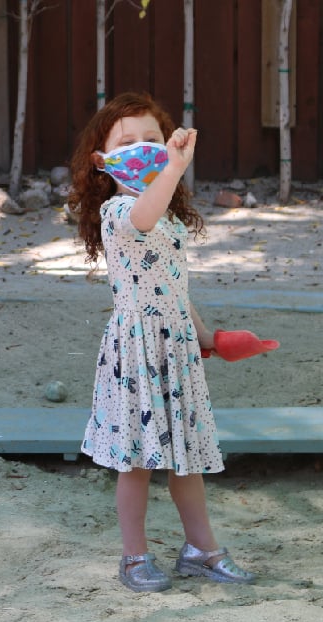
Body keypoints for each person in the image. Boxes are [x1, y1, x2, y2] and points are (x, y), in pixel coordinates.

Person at [68, 92, 270, 593]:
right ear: (102, 160)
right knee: (136, 463)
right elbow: (144, 213)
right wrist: (175, 166)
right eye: (127, 142)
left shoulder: (172, 220)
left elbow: (175, 288)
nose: (142, 150)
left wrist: (211, 338)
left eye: (152, 141)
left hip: (175, 346)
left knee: (188, 455)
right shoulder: (119, 212)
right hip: (136, 351)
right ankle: (134, 557)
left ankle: (201, 550)